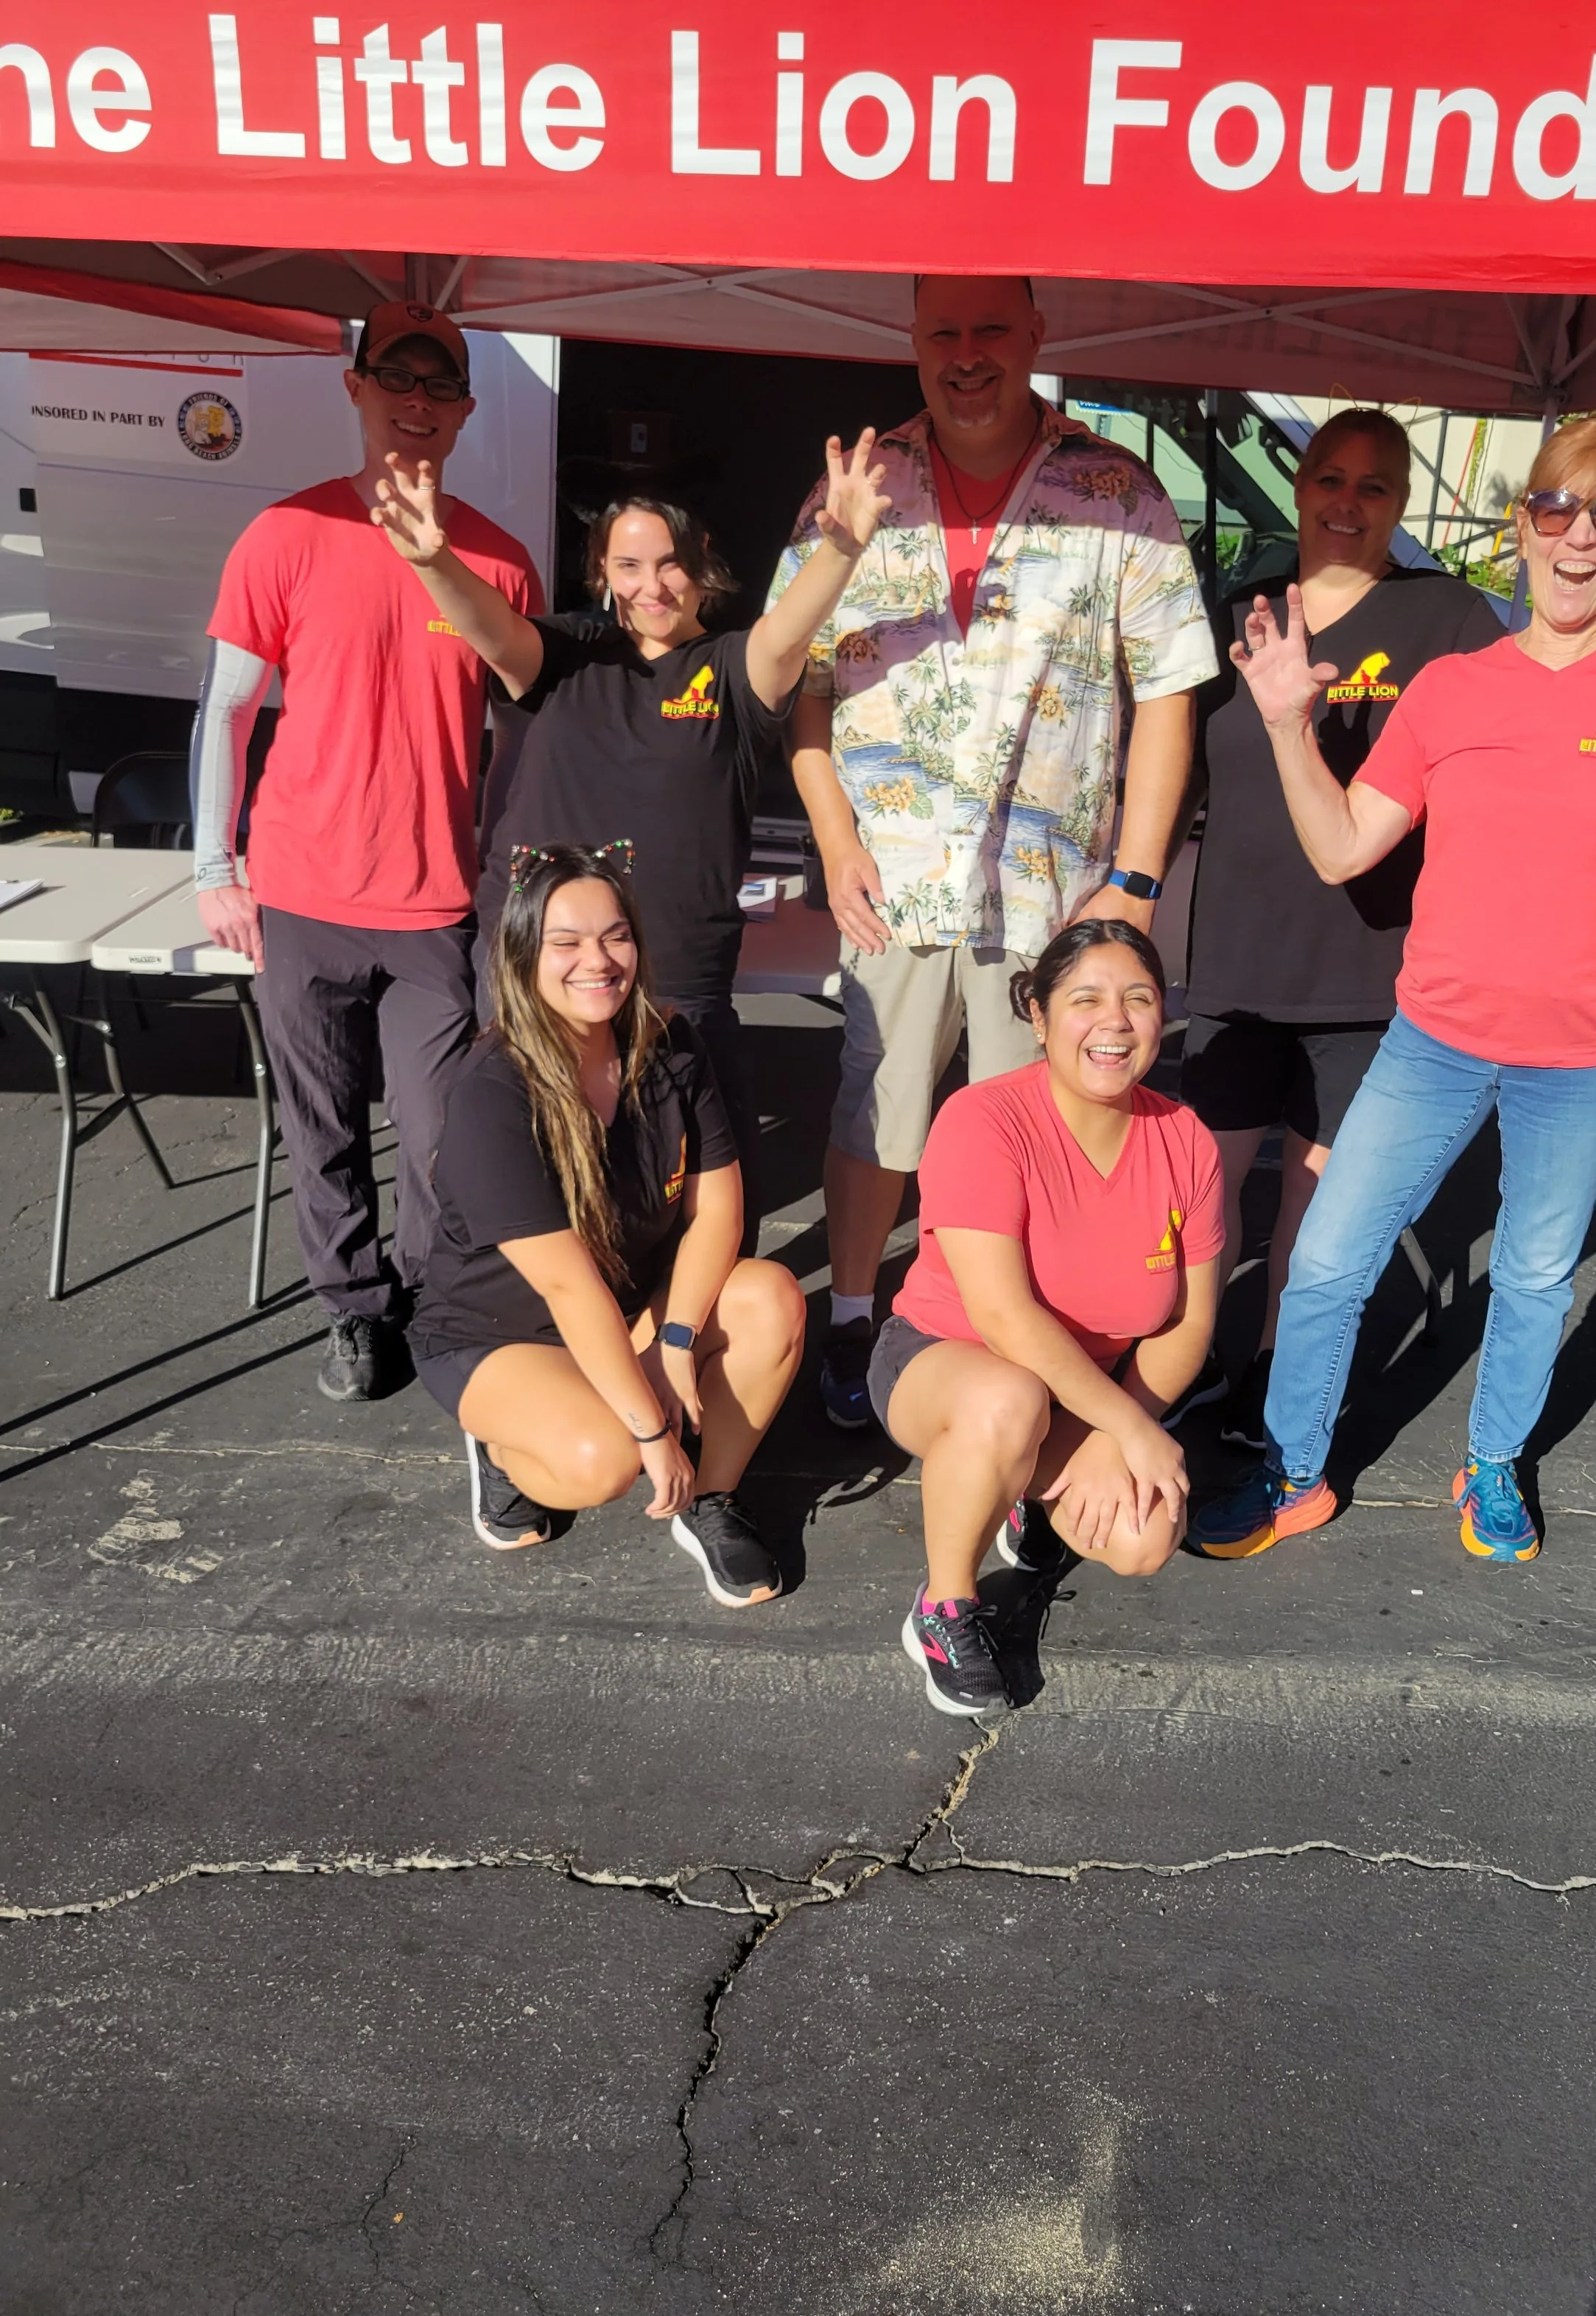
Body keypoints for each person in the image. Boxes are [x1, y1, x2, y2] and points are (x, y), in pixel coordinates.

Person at [1190, 411, 1596, 1567]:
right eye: (1556, 508)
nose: (1579, 536)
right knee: (1334, 1256)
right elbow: (1345, 847)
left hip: (1590, 1056)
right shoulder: (1453, 688)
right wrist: (1291, 727)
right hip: (1435, 1036)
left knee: (1536, 1276)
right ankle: (1296, 1469)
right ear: (1522, 523)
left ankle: (1492, 1461)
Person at [773, 273, 1218, 1431]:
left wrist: (1132, 879)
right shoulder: (863, 488)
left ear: (1036, 336)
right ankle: (861, 1317)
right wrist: (832, 837)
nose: (966, 355)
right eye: (942, 333)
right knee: (878, 1118)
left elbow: (1166, 689)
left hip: (1053, 895)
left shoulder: (1117, 490)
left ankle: (1014, 1343)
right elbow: (797, 685)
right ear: (911, 339)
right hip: (895, 877)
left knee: (1039, 1140)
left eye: (989, 331)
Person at [366, 433, 893, 1232]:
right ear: (602, 572)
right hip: (541, 976)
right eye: (629, 566)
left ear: (702, 560)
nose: (653, 585)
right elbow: (494, 632)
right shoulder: (568, 655)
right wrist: (434, 563)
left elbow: (786, 635)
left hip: (676, 982)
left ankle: (686, 1340)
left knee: (702, 1203)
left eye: (669, 562)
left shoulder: (731, 669)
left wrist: (842, 549)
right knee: (537, 1191)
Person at [191, 302, 542, 1402]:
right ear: (355, 388)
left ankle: (430, 1290)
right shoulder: (284, 536)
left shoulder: (499, 561)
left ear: (467, 410)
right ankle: (352, 1309)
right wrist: (214, 867)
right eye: (397, 376)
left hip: (436, 904)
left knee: (443, 1137)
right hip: (301, 895)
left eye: (440, 385)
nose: (418, 401)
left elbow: (528, 736)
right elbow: (229, 711)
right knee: (324, 1124)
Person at [1175, 409, 1502, 1445]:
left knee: (1310, 1222)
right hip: (1231, 967)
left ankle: (1272, 1388)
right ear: (1302, 487)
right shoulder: (1236, 612)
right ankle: (1171, 1373)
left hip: (1365, 975)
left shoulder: (1446, 620)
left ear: (1400, 505)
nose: (1346, 503)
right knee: (1200, 1208)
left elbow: (1508, 758)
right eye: (1329, 478)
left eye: (1374, 486)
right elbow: (1165, 773)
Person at [409, 844, 806, 1604]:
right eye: (566, 942)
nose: (596, 960)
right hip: (498, 1332)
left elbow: (718, 1208)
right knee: (603, 1459)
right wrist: (653, 1431)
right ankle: (501, 1443)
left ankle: (710, 1500)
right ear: (525, 955)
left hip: (624, 1307)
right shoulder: (492, 1091)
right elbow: (564, 1284)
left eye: (614, 936)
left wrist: (679, 1340)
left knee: (770, 1296)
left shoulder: (671, 1044)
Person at [870, 921, 1223, 1716]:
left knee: (1142, 1539)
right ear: (1037, 1013)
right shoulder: (983, 1119)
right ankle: (944, 1607)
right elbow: (1002, 1317)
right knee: (1008, 1400)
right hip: (943, 1362)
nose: (1115, 1021)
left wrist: (1120, 1424)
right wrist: (1127, 1434)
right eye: (1085, 999)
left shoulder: (1185, 1138)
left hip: (1080, 1390)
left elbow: (1187, 1324)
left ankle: (1024, 1493)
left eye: (1138, 999)